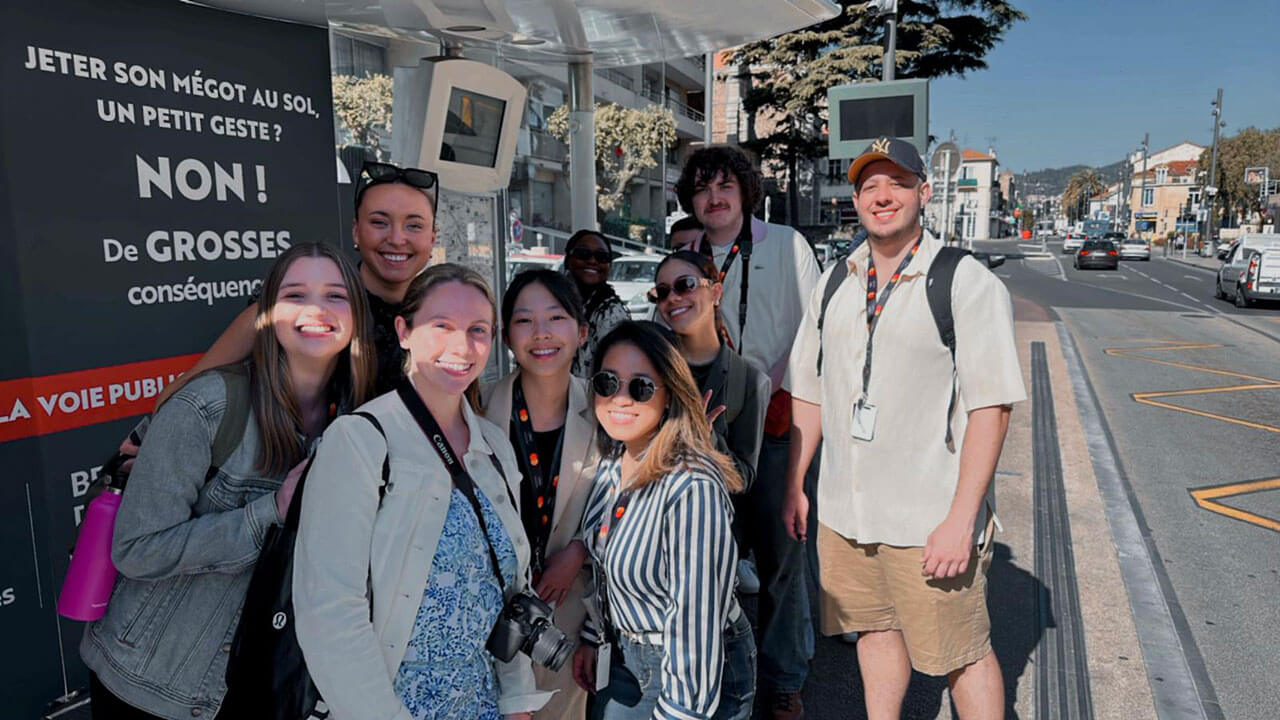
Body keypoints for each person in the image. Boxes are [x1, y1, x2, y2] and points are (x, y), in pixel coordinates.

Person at [781, 137, 1026, 720]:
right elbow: (808, 390)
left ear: (924, 191)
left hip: (928, 519)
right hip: (846, 513)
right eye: (869, 185)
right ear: (856, 200)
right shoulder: (836, 280)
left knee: (961, 654)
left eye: (896, 182)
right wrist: (795, 482)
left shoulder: (963, 281)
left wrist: (962, 519)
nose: (882, 195)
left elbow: (991, 407)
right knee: (873, 631)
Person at [79, 243, 375, 719]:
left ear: (357, 315)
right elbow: (137, 549)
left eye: (335, 296)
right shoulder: (208, 406)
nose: (316, 309)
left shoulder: (356, 422)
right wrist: (270, 513)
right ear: (267, 316)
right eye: (295, 295)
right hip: (152, 683)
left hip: (259, 680)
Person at [293, 264, 551, 720]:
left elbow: (511, 591)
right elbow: (330, 610)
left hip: (481, 704)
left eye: (477, 330)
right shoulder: (360, 440)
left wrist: (517, 701)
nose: (462, 346)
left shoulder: (493, 446)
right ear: (404, 331)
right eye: (442, 326)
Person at [674, 145, 821, 719]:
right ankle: (716, 670)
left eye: (725, 187)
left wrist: (774, 386)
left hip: (776, 416)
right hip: (706, 424)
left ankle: (785, 679)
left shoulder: (785, 244)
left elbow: (815, 327)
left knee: (782, 553)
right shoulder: (685, 251)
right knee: (707, 554)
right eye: (703, 189)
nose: (714, 198)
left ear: (744, 192)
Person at [572, 321, 755, 720]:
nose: (620, 399)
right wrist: (594, 635)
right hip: (623, 652)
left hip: (685, 668)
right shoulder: (612, 463)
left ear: (670, 394)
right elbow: (606, 561)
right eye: (607, 383)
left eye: (640, 387)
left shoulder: (691, 487)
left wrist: (681, 713)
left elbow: (697, 620)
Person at [150, 161, 439, 404]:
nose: (397, 238)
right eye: (379, 222)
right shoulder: (301, 302)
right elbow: (186, 390)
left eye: (414, 225)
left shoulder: (443, 314)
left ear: (432, 238)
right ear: (355, 231)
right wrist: (157, 439)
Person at [481, 269, 601, 719]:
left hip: (567, 614)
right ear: (506, 336)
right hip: (488, 615)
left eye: (556, 317)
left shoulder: (608, 410)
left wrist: (580, 550)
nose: (542, 333)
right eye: (524, 320)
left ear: (582, 331)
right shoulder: (476, 409)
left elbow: (631, 506)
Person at [650, 251, 770, 593]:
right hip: (641, 535)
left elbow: (743, 480)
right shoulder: (646, 363)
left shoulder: (748, 381)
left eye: (685, 285)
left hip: (703, 549)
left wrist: (707, 441)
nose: (673, 298)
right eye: (662, 291)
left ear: (716, 292)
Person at [563, 229, 629, 378]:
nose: (592, 261)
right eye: (583, 254)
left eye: (602, 257)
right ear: (567, 260)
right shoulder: (557, 301)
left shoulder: (611, 314)